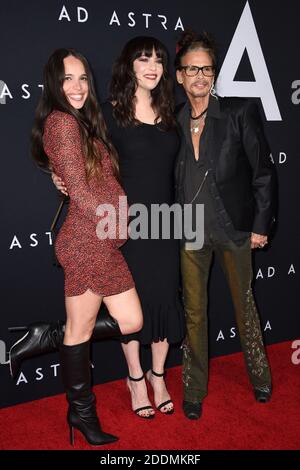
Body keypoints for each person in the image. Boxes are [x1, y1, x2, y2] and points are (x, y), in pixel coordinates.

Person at [10, 48, 143, 445]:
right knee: (84, 332)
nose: (77, 86)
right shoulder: (62, 123)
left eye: (83, 78)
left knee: (128, 321)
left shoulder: (80, 123)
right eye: (68, 78)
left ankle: (44, 335)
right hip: (88, 241)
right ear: (54, 83)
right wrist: (114, 221)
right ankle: (82, 415)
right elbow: (82, 192)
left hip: (98, 240)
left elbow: (81, 180)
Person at [53, 37, 186, 418]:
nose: (152, 66)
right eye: (143, 58)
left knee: (163, 300)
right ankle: (134, 378)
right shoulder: (108, 115)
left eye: (158, 59)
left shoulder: (171, 112)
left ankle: (158, 376)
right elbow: (72, 153)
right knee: (133, 306)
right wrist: (56, 178)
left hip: (166, 221)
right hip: (121, 223)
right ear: (128, 65)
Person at [174, 31, 277, 420]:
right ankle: (194, 388)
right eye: (191, 69)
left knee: (244, 306)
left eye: (206, 68)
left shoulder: (238, 112)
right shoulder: (174, 122)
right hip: (190, 232)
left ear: (213, 74)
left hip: (234, 228)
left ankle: (261, 378)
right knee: (195, 313)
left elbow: (263, 174)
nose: (200, 75)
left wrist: (260, 224)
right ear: (179, 76)